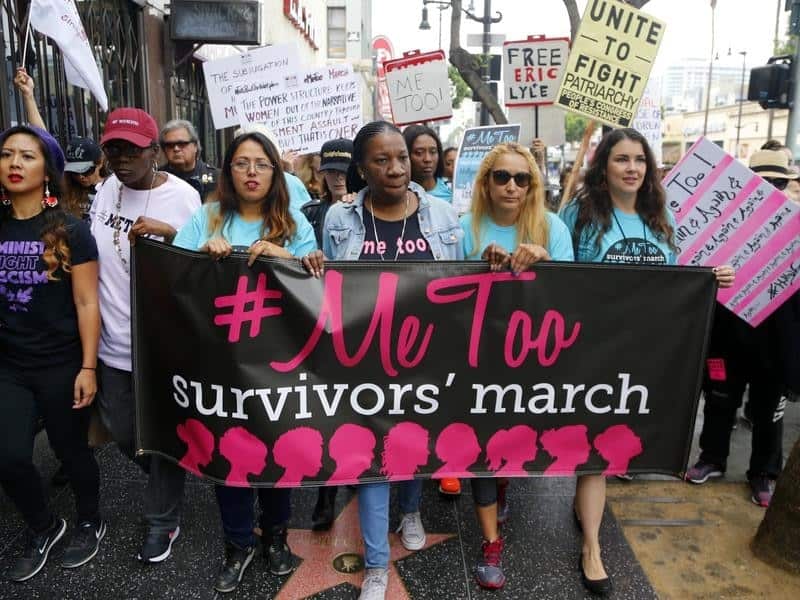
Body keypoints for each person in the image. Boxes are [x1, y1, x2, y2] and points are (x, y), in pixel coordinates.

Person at [559, 127, 735, 597]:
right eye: (621, 159)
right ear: (603, 166)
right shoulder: (581, 212)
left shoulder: (660, 216)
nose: (633, 168)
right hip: (593, 349)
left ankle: (584, 508)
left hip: (646, 351)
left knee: (618, 437)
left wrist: (709, 278)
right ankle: (592, 548)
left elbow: (673, 280)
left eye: (640, 159)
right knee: (593, 447)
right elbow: (561, 276)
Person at [302, 120, 463, 600]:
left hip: (426, 361)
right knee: (369, 458)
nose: (395, 168)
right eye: (381, 160)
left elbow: (465, 281)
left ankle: (411, 510)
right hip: (363, 362)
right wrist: (315, 267)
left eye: (402, 157)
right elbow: (331, 288)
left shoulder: (443, 215)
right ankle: (376, 564)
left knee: (412, 448)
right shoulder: (339, 219)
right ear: (360, 167)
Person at [173, 130, 316, 592]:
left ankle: (275, 536)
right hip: (221, 364)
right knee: (228, 453)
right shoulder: (207, 216)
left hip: (280, 365)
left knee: (281, 449)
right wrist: (200, 255)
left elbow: (321, 287)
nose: (251, 172)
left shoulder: (295, 224)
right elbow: (171, 273)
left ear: (276, 173)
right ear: (228, 171)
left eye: (261, 164)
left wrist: (286, 259)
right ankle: (238, 544)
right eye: (242, 163)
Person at [460, 142, 574, 590]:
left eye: (521, 178)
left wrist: (544, 261)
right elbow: (437, 288)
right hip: (475, 357)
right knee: (480, 448)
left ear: (532, 185)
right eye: (502, 177)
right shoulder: (464, 227)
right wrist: (476, 265)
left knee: (512, 442)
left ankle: (505, 485)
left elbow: (575, 295)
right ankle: (491, 544)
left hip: (532, 358)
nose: (512, 186)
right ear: (486, 183)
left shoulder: (552, 228)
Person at [90, 107, 201, 564]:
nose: (121, 158)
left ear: (155, 152)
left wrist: (171, 234)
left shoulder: (184, 197)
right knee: (121, 430)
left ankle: (163, 518)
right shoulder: (104, 191)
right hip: (111, 343)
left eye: (132, 149)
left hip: (163, 345)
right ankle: (169, 472)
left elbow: (203, 264)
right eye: (113, 148)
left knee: (159, 435)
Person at [0, 125, 104, 580]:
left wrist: (88, 367)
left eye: (27, 156)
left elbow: (86, 303)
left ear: (48, 170)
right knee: (9, 456)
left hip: (62, 363)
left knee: (71, 450)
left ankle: (90, 519)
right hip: (9, 364)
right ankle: (44, 525)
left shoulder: (71, 230)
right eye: (7, 155)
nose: (15, 163)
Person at [684, 147, 794, 508]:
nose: (772, 189)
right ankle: (712, 458)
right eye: (763, 182)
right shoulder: (727, 224)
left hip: (775, 340)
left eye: (778, 182)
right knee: (719, 400)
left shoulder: (796, 229)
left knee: (768, 411)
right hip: (727, 336)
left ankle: (763, 472)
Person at [301, 138, 354, 251]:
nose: (338, 177)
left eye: (344, 171)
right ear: (323, 174)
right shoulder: (310, 212)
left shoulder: (368, 208)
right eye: (331, 171)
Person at [160, 119, 219, 202]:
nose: (176, 149)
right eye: (170, 145)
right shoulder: (156, 179)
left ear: (195, 146)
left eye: (182, 144)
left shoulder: (217, 178)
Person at [402, 124, 452, 203]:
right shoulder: (397, 195)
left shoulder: (451, 190)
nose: (427, 159)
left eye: (433, 152)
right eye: (419, 153)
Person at [62, 137, 108, 221]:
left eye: (86, 171)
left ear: (100, 163)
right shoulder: (68, 190)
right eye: (74, 172)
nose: (80, 177)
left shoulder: (113, 189)